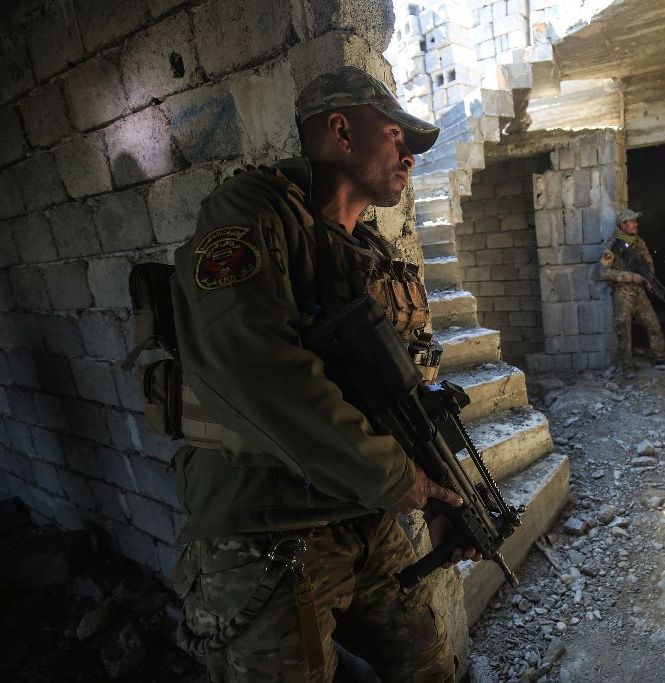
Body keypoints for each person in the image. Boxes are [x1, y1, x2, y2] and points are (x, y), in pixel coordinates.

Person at [168, 65, 470, 682]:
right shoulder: (249, 213)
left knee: (429, 666)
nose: (409, 156)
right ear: (341, 130)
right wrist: (390, 476)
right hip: (266, 528)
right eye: (397, 136)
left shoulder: (369, 252)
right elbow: (252, 366)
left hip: (360, 512)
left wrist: (440, 496)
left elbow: (405, 396)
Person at [600, 208, 665, 377]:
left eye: (635, 221)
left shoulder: (639, 242)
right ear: (622, 225)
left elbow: (648, 263)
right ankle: (626, 366)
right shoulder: (612, 246)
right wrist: (631, 277)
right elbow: (603, 272)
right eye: (631, 221)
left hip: (640, 292)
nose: (635, 224)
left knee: (653, 323)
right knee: (624, 330)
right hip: (622, 293)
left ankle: (660, 358)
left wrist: (649, 280)